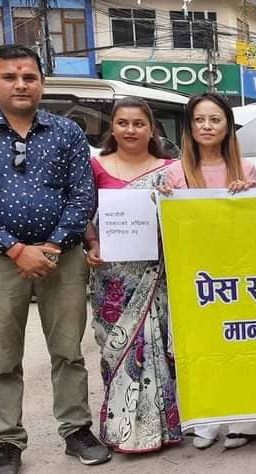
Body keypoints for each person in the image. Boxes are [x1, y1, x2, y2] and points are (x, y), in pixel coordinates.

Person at [0, 44, 111, 474]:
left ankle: (76, 430)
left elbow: (82, 194)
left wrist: (51, 245)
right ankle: (7, 441)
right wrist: (15, 249)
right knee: (3, 358)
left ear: (41, 83)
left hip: (62, 259)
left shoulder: (66, 132)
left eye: (29, 77)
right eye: (10, 77)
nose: (21, 85)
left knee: (68, 350)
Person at [159, 92, 256, 449]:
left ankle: (244, 422)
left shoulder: (246, 169)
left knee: (240, 345)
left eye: (215, 119)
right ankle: (206, 422)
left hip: (237, 273)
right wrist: (162, 200)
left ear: (227, 126)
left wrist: (252, 194)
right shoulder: (174, 173)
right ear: (189, 126)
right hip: (194, 274)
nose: (207, 126)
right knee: (203, 348)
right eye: (199, 120)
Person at [83, 98, 181, 454]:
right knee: (116, 350)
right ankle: (119, 429)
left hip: (157, 274)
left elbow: (186, 217)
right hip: (112, 278)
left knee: (157, 349)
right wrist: (92, 244)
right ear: (112, 127)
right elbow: (84, 213)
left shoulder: (171, 170)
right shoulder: (96, 166)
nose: (130, 130)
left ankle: (164, 429)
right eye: (123, 123)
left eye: (139, 123)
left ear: (151, 129)